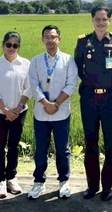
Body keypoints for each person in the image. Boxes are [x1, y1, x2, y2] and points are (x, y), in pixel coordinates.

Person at [74, 6, 112, 201]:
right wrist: (90, 83)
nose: (101, 23)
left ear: (109, 21)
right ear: (92, 20)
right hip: (89, 98)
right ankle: (92, 185)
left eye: (104, 19)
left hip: (109, 99)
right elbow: (78, 68)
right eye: (97, 19)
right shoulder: (83, 42)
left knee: (110, 142)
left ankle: (107, 186)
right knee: (91, 143)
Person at [27, 25, 78, 200]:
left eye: (53, 37)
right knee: (41, 149)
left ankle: (64, 181)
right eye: (47, 37)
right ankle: (39, 181)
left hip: (61, 112)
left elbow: (71, 84)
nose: (50, 40)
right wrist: (45, 103)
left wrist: (56, 104)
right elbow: (33, 85)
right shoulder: (36, 61)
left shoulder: (68, 60)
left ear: (59, 39)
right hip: (41, 113)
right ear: (42, 40)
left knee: (62, 149)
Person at [0, 31, 32, 199]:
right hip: (0, 113)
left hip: (20, 112)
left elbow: (29, 87)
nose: (11, 48)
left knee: (14, 145)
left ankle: (11, 178)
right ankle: (0, 181)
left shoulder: (26, 64)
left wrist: (18, 108)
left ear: (19, 47)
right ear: (3, 45)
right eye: (8, 45)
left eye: (15, 45)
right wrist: (6, 110)